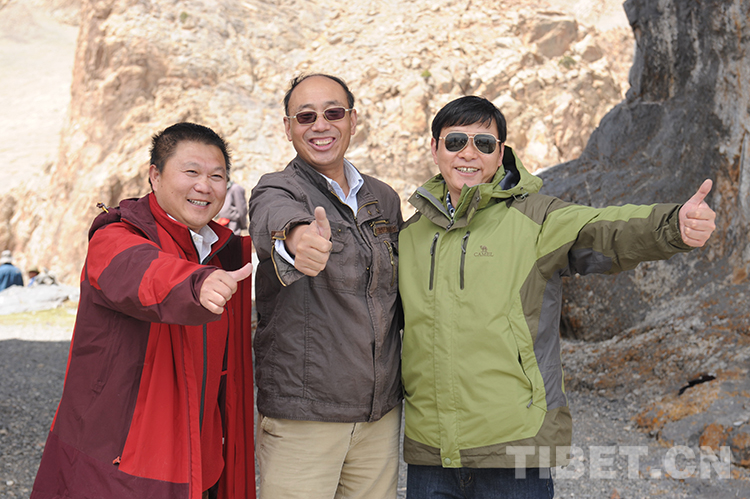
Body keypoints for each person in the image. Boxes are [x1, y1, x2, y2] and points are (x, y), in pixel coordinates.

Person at [398, 96, 717, 498]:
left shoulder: (538, 218)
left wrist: (672, 226)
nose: (468, 153)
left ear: (500, 153)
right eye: (456, 141)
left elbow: (603, 228)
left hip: (516, 447)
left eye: (484, 143)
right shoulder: (409, 235)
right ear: (435, 148)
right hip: (431, 456)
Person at [31, 123, 256, 499]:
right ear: (155, 175)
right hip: (125, 461)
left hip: (199, 455)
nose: (204, 186)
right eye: (191, 172)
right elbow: (143, 272)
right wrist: (195, 284)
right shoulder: (116, 236)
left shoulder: (222, 250)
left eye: (217, 176)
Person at [248, 74, 403, 499]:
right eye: (306, 117)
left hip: (379, 417)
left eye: (333, 113)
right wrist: (297, 239)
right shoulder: (277, 187)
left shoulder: (383, 199)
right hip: (305, 419)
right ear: (288, 128)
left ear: (353, 120)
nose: (321, 125)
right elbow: (273, 218)